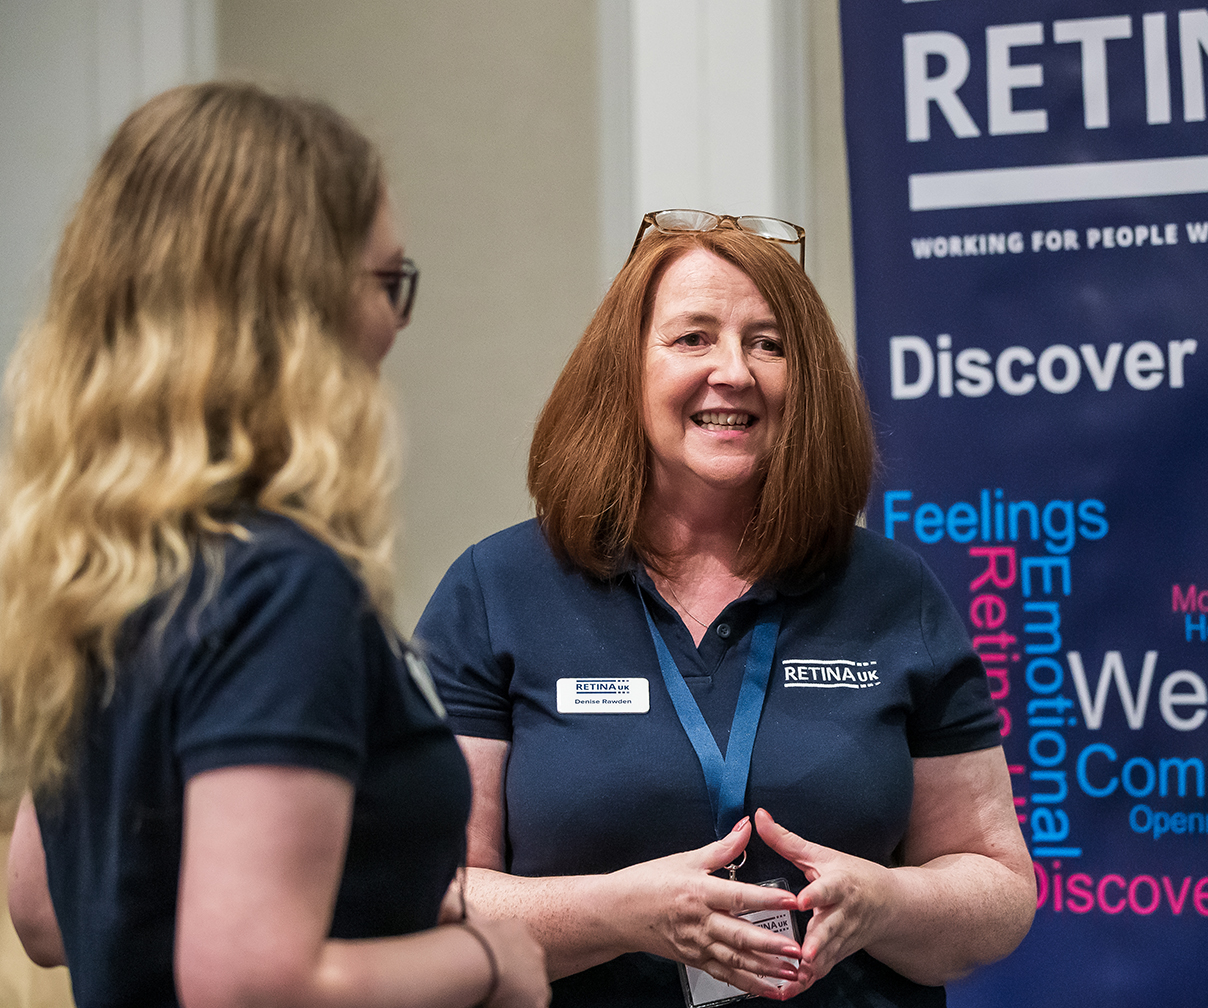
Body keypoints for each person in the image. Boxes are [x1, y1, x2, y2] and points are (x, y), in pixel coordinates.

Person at [0, 82, 550, 1008]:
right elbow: (251, 982)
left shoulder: (107, 567)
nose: (394, 324)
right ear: (290, 306)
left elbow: (46, 907)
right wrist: (493, 961)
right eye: (387, 284)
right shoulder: (281, 587)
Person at [414, 209, 1036, 1007]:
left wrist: (887, 900)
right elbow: (432, 892)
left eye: (767, 344)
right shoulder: (496, 590)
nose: (735, 370)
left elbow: (997, 889)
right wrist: (618, 913)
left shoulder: (893, 593)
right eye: (693, 338)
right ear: (625, 374)